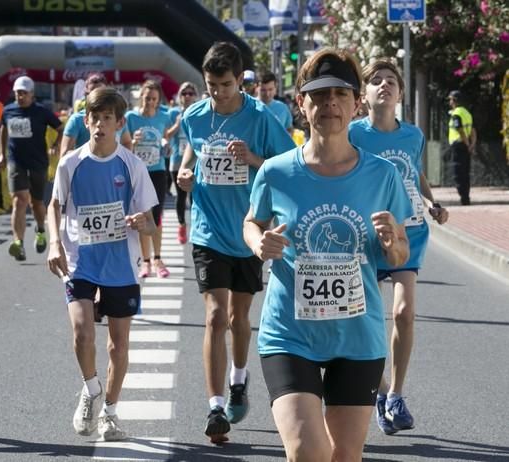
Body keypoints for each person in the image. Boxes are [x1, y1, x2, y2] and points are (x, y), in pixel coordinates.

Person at [243, 48, 412, 461]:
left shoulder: (382, 175)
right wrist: (257, 243)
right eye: (318, 95)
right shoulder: (276, 171)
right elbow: (252, 221)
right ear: (301, 104)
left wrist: (393, 244)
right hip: (290, 333)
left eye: (340, 94)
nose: (329, 104)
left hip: (357, 336)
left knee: (344, 456)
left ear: (356, 103)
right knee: (306, 451)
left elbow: (399, 253)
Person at [176, 42, 295, 443]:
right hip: (207, 229)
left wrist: (253, 159)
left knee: (238, 319)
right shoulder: (194, 115)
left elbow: (288, 165)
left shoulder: (260, 117)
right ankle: (214, 407)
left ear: (239, 80)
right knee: (214, 316)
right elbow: (191, 148)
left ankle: (239, 383)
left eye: (225, 85)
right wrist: (185, 172)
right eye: (211, 85)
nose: (218, 93)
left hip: (248, 231)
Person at [47, 87, 157, 441]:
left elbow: (150, 220)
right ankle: (91, 389)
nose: (100, 126)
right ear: (86, 121)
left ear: (119, 123)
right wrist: (53, 243)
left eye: (107, 119)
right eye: (94, 119)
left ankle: (109, 412)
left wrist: (142, 223)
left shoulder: (132, 164)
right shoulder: (71, 163)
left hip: (121, 263)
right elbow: (54, 206)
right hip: (81, 260)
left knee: (118, 345)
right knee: (82, 331)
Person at [349, 59, 449, 436]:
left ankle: (397, 396)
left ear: (401, 94)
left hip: (410, 234)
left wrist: (431, 205)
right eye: (376, 81)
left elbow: (414, 173)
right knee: (369, 322)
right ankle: (381, 389)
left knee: (404, 313)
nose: (384, 86)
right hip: (368, 236)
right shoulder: (354, 135)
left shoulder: (412, 135)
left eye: (391, 81)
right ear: (365, 95)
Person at [0, 75, 62, 261]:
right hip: (15, 161)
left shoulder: (41, 112)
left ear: (32, 94)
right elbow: (3, 129)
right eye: (18, 93)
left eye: (24, 93)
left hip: (38, 162)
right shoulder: (8, 111)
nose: (20, 96)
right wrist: (2, 153)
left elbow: (60, 127)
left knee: (37, 202)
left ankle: (41, 229)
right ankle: (18, 243)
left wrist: (55, 145)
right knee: (19, 200)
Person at [124, 80, 174, 278]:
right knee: (143, 217)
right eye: (146, 98)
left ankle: (158, 259)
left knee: (157, 216)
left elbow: (164, 140)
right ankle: (145, 261)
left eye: (153, 99)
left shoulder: (164, 117)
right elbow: (124, 143)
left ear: (158, 100)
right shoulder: (131, 117)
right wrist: (133, 142)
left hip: (157, 171)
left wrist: (166, 147)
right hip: (138, 172)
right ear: (140, 97)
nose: (150, 102)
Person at [60, 73, 131, 157]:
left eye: (107, 118)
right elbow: (64, 155)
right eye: (94, 118)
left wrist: (121, 162)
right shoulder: (76, 119)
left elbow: (127, 142)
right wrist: (92, 158)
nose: (100, 123)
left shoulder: (117, 117)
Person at [167, 82, 199, 244]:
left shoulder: (200, 112)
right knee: (181, 195)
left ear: (195, 96)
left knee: (195, 196)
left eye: (190, 93)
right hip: (177, 161)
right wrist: (177, 124)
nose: (187, 96)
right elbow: (165, 134)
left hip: (196, 162)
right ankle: (181, 224)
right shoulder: (173, 113)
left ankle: (195, 226)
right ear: (179, 97)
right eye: (184, 93)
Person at [447, 90, 476, 205]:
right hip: (466, 146)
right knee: (466, 172)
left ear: (455, 101)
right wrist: (472, 145)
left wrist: (467, 143)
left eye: (450, 99)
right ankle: (466, 197)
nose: (449, 102)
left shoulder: (456, 114)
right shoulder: (467, 113)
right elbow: (473, 131)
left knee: (458, 172)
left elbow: (460, 130)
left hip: (459, 145)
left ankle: (463, 198)